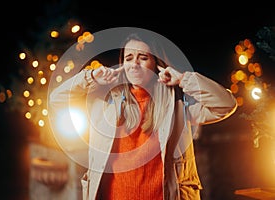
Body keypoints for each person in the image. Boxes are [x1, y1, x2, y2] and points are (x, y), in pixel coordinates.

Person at [49, 31, 237, 200]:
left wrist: (183, 79)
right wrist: (90, 77)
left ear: (156, 63)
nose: (135, 64)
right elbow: (56, 100)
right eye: (129, 58)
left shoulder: (178, 105)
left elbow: (225, 104)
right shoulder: (104, 102)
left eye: (143, 57)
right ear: (122, 63)